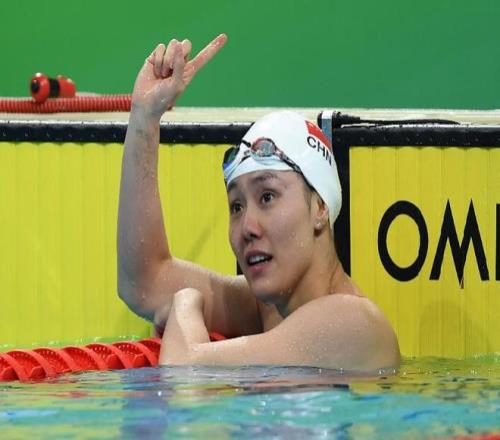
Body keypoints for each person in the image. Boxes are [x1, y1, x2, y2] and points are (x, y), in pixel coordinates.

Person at [118, 34, 400, 371]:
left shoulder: (352, 324)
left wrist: (185, 302)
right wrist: (145, 118)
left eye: (267, 197)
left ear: (320, 207)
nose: (247, 227)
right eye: (236, 206)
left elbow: (186, 369)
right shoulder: (269, 310)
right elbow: (144, 283)